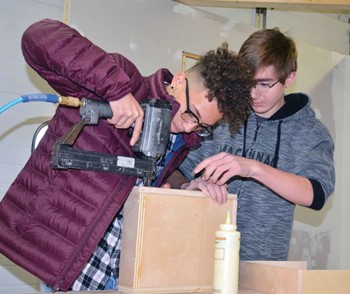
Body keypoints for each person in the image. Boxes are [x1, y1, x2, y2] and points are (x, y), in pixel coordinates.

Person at [0, 19, 253, 291]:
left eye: (203, 127)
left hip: (117, 275)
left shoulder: (181, 140)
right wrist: (117, 92)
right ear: (179, 81)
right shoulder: (123, 80)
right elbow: (39, 36)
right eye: (192, 115)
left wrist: (185, 187)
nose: (190, 126)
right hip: (70, 268)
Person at [175, 28, 335, 261]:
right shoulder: (220, 115)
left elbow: (316, 194)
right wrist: (187, 186)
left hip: (262, 269)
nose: (253, 94)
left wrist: (254, 168)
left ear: (289, 77)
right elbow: (173, 170)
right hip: (195, 259)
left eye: (264, 84)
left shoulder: (310, 132)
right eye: (247, 83)